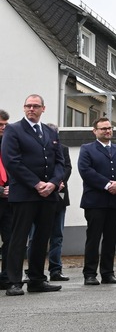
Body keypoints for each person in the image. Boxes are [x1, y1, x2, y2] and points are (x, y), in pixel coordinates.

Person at [1, 95, 64, 296]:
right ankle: (14, 281)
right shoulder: (14, 130)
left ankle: (37, 280)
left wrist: (53, 183)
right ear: (24, 108)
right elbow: (12, 161)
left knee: (41, 238)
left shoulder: (49, 131)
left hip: (47, 195)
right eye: (28, 105)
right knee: (18, 238)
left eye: (35, 106)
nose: (31, 109)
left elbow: (60, 162)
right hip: (25, 194)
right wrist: (36, 184)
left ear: (43, 109)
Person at [78, 117, 116, 286]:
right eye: (103, 129)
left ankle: (108, 273)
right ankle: (90, 273)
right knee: (93, 238)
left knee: (111, 239)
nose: (107, 131)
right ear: (94, 131)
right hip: (95, 201)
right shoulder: (87, 149)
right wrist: (107, 184)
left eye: (109, 128)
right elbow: (86, 171)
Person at [25, 123, 72, 282]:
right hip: (37, 194)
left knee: (57, 235)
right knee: (33, 236)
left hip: (59, 194)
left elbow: (67, 167)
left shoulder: (63, 148)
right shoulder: (33, 147)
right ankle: (32, 270)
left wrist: (58, 181)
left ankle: (55, 270)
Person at [0, 109, 12, 290]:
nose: (3, 128)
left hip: (10, 201)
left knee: (10, 240)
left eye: (5, 125)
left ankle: (7, 277)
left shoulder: (10, 145)